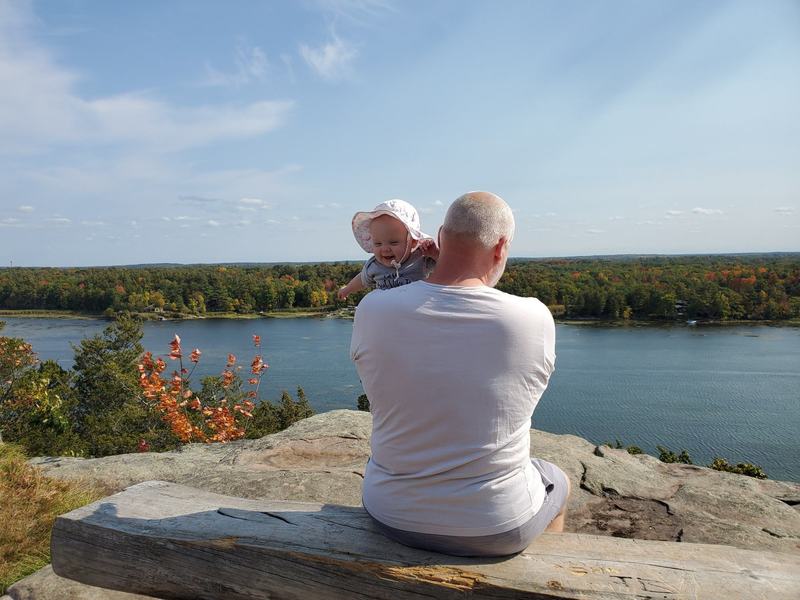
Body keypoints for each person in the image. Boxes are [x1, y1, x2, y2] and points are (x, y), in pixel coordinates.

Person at [350, 191, 569, 557]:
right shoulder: (531, 317)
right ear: (500, 248)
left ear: (438, 237)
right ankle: (541, 578)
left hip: (390, 512)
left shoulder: (373, 309)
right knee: (558, 480)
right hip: (496, 523)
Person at [338, 199, 439, 300]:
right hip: (387, 311)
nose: (385, 249)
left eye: (393, 243)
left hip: (415, 310)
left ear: (413, 241)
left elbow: (447, 266)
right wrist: (347, 289)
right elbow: (362, 280)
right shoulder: (374, 265)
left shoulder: (420, 258)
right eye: (378, 244)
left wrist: (435, 254)